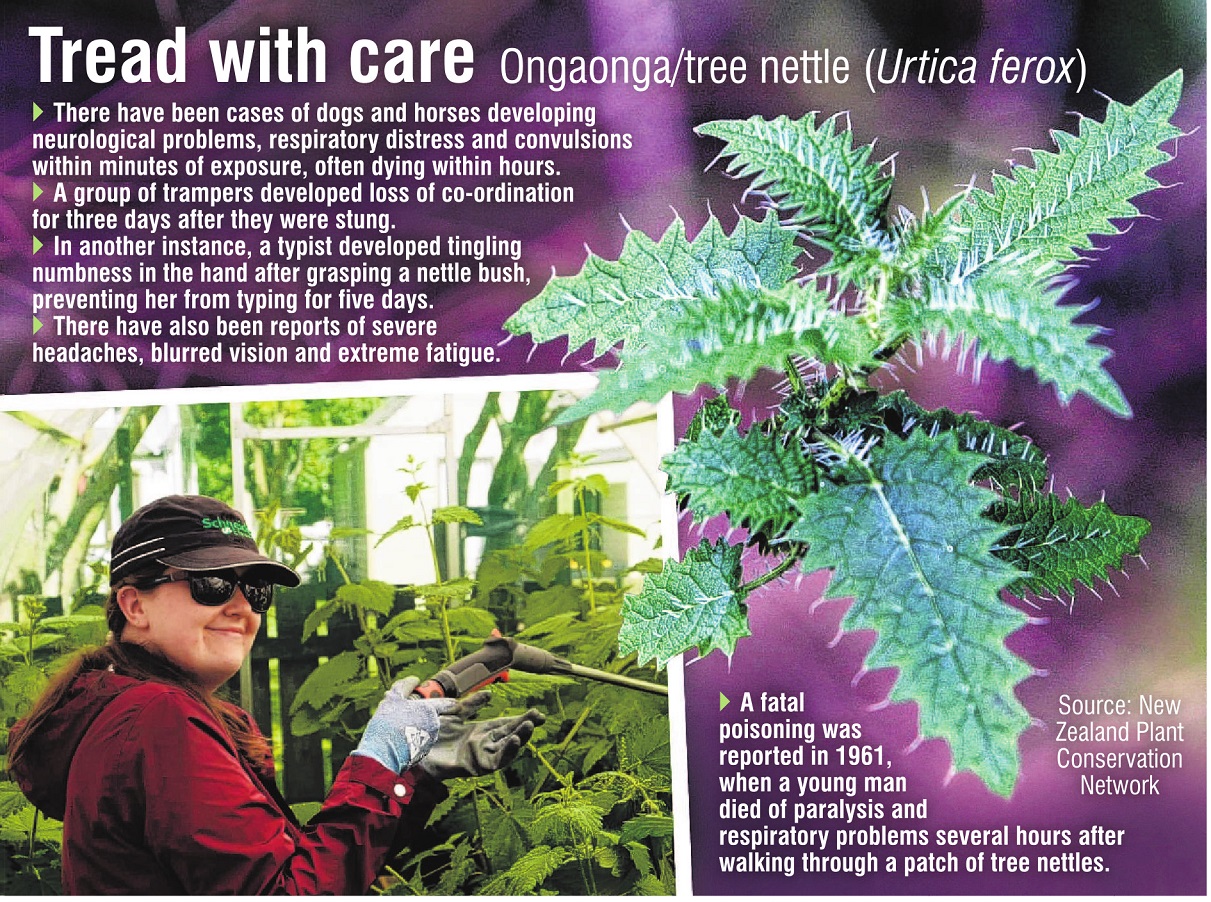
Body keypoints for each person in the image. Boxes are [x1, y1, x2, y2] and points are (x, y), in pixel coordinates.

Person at [7, 494, 544, 894]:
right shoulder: (159, 718)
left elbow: (294, 872)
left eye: (255, 589)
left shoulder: (125, 707)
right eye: (211, 583)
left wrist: (414, 775)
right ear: (134, 606)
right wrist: (379, 759)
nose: (242, 607)